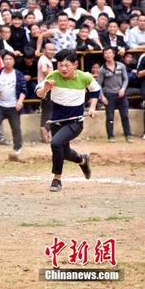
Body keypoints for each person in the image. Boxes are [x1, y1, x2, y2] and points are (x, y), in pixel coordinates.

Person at [35, 49, 101, 192]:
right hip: (56, 121)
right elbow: (39, 93)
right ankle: (82, 160)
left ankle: (57, 179)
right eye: (60, 65)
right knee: (64, 152)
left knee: (55, 143)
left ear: (74, 64)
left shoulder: (85, 77)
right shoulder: (53, 76)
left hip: (75, 122)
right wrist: (46, 88)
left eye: (67, 65)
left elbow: (95, 90)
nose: (63, 68)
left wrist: (92, 107)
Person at [97, 47, 133, 143]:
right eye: (106, 53)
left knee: (125, 116)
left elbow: (125, 79)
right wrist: (102, 96)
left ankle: (128, 135)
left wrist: (123, 89)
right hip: (109, 95)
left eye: (109, 53)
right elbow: (99, 84)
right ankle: (110, 136)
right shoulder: (102, 69)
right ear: (104, 55)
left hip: (121, 95)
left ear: (114, 54)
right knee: (110, 117)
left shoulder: (121, 66)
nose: (108, 55)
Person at [37, 43, 55, 143]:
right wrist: (52, 79)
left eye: (53, 50)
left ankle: (46, 133)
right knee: (48, 111)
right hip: (46, 88)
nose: (51, 51)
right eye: (49, 49)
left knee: (47, 110)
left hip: (45, 88)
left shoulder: (45, 59)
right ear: (44, 50)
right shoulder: (44, 60)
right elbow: (44, 70)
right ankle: (45, 133)